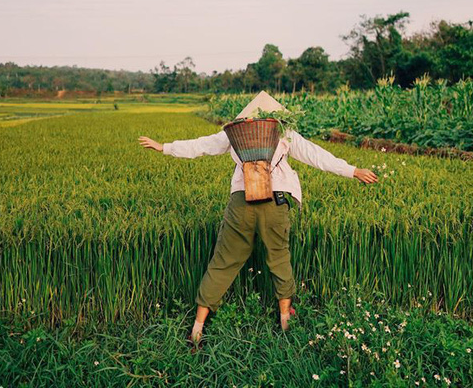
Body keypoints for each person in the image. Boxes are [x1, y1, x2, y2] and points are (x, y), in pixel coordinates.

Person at [138, 90, 379, 348]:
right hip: (275, 203)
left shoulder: (236, 132)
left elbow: (202, 145)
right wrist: (353, 170)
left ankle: (197, 328)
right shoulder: (284, 132)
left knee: (223, 262)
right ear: (275, 114)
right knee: (279, 257)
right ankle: (286, 321)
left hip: (241, 202)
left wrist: (165, 147)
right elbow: (316, 155)